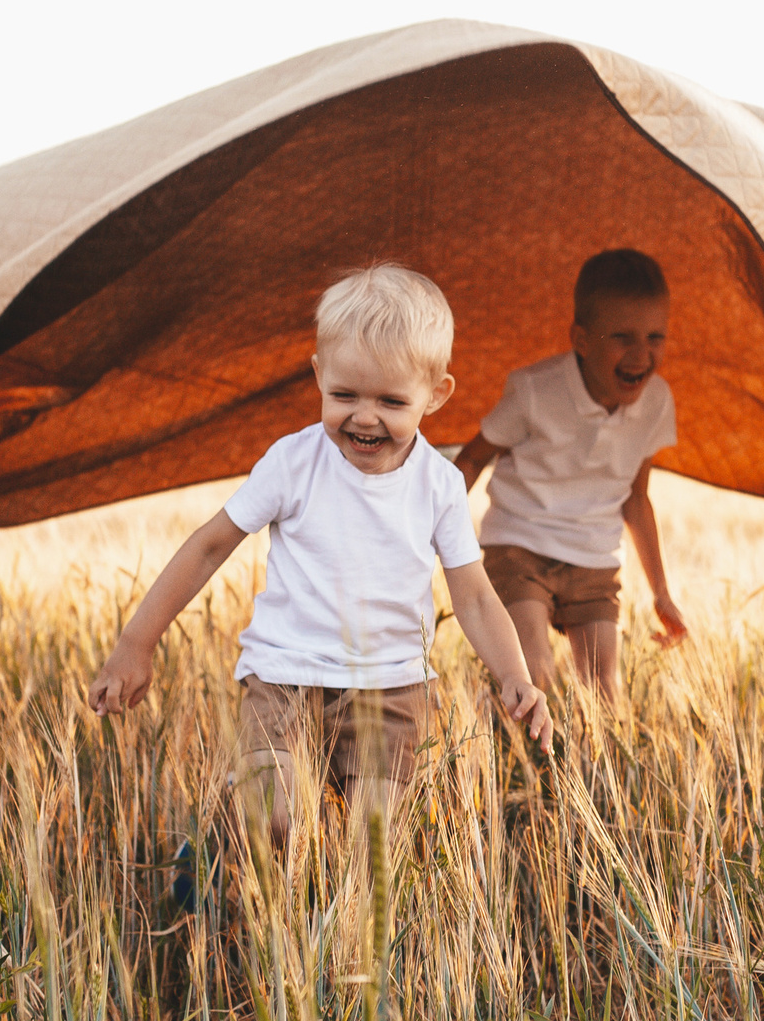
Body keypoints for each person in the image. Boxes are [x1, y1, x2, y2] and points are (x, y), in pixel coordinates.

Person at [87, 264, 550, 875]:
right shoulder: (293, 462)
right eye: (345, 396)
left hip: (391, 692)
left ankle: (345, 959)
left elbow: (474, 595)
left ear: (436, 394)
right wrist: (134, 643)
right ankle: (226, 829)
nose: (364, 417)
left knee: (371, 851)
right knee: (276, 817)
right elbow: (208, 546)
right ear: (318, 377)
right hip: (285, 679)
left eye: (391, 401)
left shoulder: (439, 485)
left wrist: (514, 672)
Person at [451, 248, 687, 701]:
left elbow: (636, 500)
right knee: (533, 673)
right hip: (519, 545)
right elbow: (470, 459)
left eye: (655, 337)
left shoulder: (657, 403)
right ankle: (506, 738)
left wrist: (661, 592)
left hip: (593, 558)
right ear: (581, 339)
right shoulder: (536, 391)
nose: (642, 354)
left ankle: (580, 768)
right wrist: (431, 531)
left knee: (604, 695)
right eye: (623, 337)